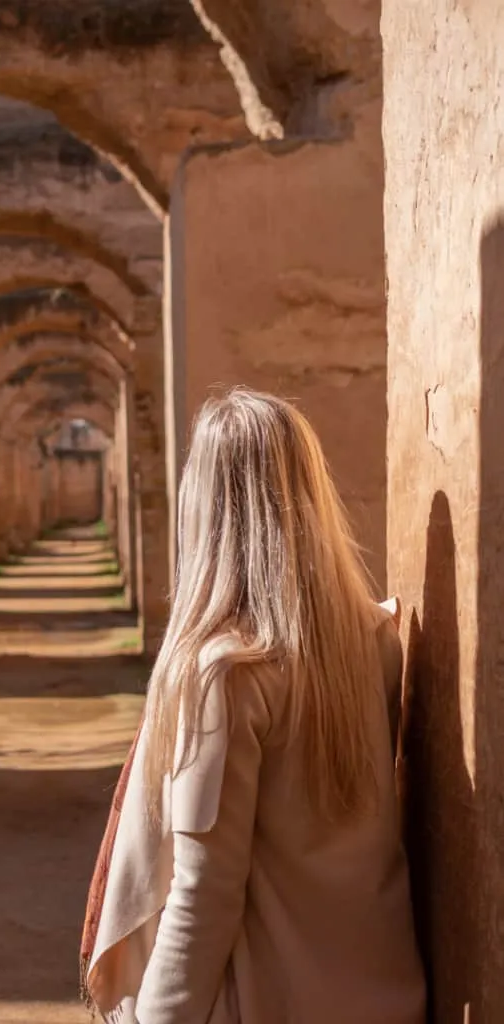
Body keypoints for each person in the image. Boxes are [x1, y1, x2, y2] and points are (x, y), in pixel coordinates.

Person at [81, 389, 426, 1024]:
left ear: (205, 507)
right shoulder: (374, 641)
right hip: (383, 992)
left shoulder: (225, 673)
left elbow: (204, 889)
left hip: (273, 1001)